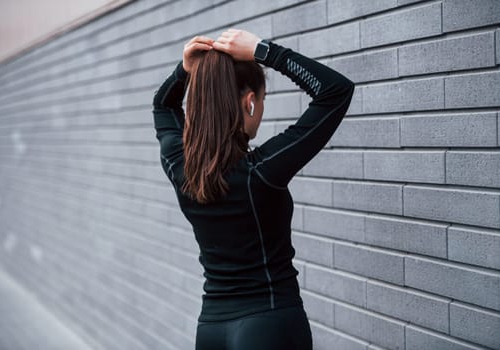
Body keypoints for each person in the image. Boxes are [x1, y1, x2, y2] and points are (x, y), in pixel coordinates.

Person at [152, 28, 355, 350]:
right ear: (249, 103)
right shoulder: (261, 171)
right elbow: (336, 91)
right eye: (262, 100)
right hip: (269, 326)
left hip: (211, 330)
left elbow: (163, 107)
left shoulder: (181, 168)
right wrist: (265, 52)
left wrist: (185, 70)